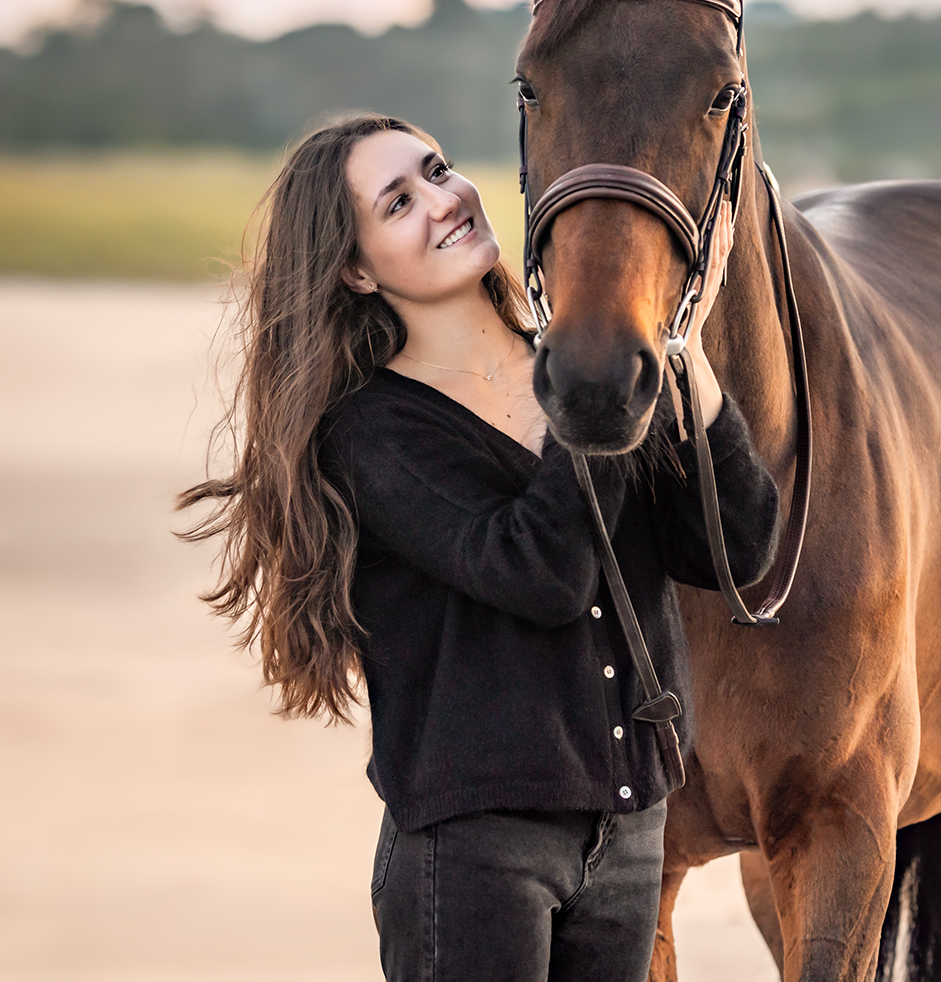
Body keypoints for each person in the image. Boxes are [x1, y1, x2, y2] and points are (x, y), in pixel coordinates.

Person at [179, 113, 781, 982]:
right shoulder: (373, 431)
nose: (442, 200)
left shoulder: (584, 367)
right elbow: (538, 573)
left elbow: (739, 552)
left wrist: (700, 389)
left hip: (630, 830)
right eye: (397, 202)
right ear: (354, 268)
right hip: (475, 851)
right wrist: (585, 404)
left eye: (438, 169)